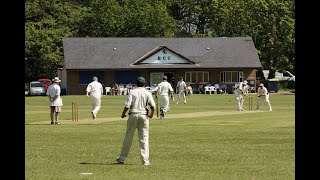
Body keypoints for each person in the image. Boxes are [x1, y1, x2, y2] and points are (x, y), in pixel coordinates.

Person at [116, 76, 156, 165]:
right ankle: (145, 161)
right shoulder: (147, 92)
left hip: (133, 114)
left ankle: (122, 158)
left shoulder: (132, 92)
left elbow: (127, 105)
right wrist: (152, 114)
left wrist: (123, 114)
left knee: (128, 137)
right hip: (143, 116)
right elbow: (153, 106)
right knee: (144, 138)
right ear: (144, 84)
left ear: (136, 83)